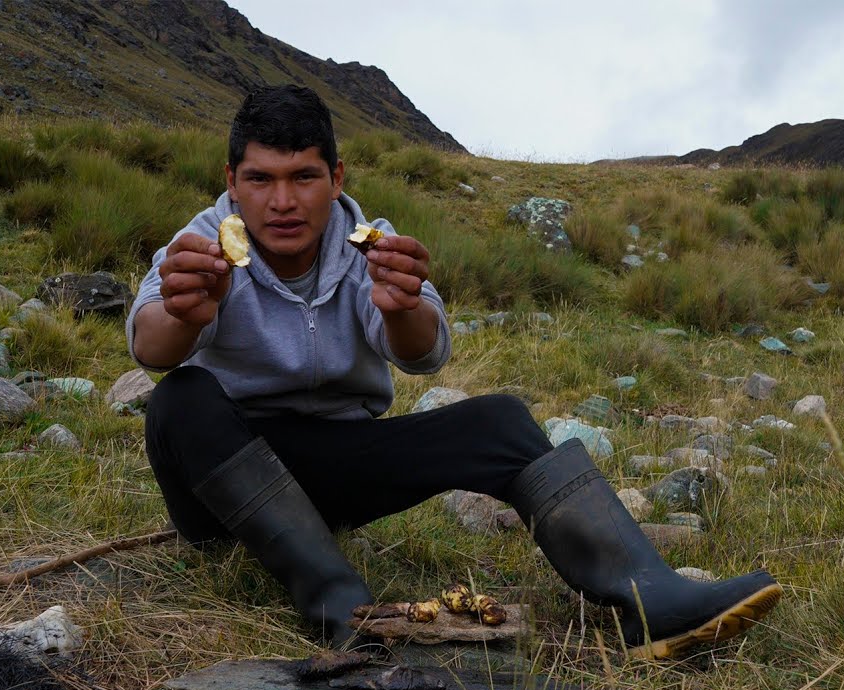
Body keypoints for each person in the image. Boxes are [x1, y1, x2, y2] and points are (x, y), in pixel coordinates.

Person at [128, 84, 781, 658]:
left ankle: (652, 597)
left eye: (303, 177)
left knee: (500, 419)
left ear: (336, 177)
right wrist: (189, 314)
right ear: (233, 181)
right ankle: (346, 614)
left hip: (334, 467)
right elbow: (151, 348)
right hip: (224, 488)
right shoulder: (204, 243)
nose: (283, 202)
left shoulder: (369, 243)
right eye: (262, 180)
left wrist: (402, 306)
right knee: (180, 398)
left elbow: (422, 353)